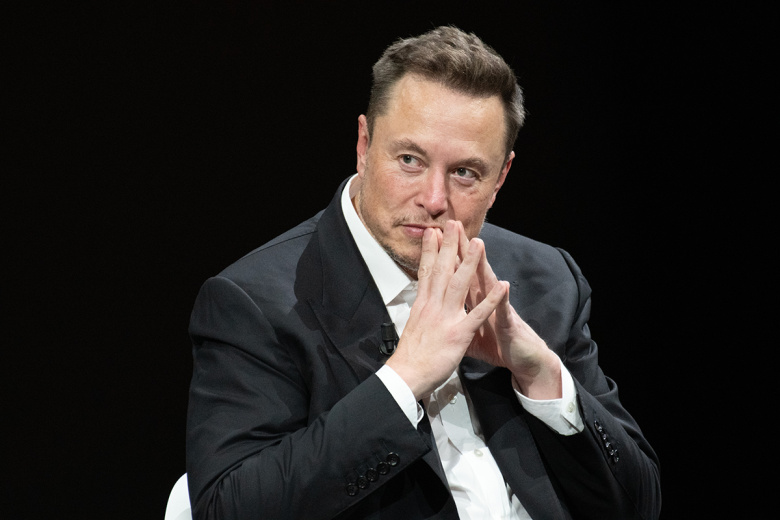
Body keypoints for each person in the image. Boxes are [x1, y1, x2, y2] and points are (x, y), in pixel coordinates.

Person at [186, 26, 661, 520]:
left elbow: (639, 503)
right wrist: (404, 377)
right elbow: (226, 507)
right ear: (364, 144)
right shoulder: (256, 302)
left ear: (501, 177)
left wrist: (541, 374)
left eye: (464, 173)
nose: (434, 200)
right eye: (410, 160)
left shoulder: (546, 279)